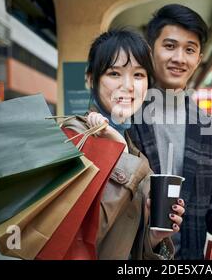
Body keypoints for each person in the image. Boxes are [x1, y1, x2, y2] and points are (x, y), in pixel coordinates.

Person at [128, 4, 212, 259]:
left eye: (190, 49)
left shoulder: (211, 130)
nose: (179, 58)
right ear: (151, 51)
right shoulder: (127, 118)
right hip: (134, 256)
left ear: (199, 59)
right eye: (169, 46)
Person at [64, 29, 185, 259]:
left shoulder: (136, 153)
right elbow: (73, 236)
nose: (128, 86)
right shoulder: (74, 137)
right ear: (91, 78)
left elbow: (124, 248)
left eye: (138, 75)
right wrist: (120, 152)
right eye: (114, 73)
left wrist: (154, 238)